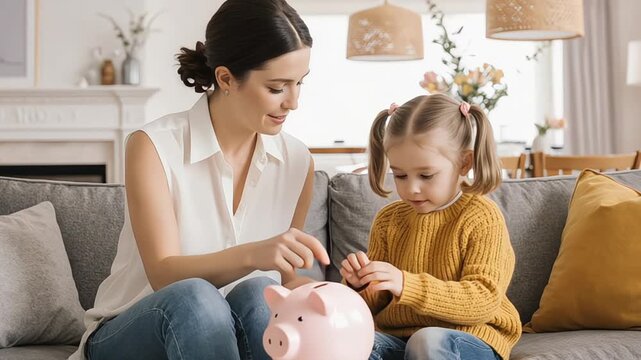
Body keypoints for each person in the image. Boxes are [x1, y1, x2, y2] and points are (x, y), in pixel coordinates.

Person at [69, 0, 329, 359]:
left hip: (232, 327)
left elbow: (289, 282)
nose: (293, 102)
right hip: (137, 328)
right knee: (196, 297)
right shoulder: (153, 146)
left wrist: (336, 295)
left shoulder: (298, 161)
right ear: (225, 78)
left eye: (300, 83)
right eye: (277, 87)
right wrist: (255, 252)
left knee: (258, 294)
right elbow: (164, 274)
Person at [340, 94, 522, 360]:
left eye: (426, 175)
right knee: (349, 342)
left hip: (469, 339)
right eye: (400, 175)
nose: (411, 188)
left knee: (427, 341)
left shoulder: (481, 216)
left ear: (464, 163)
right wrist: (359, 286)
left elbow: (483, 299)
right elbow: (375, 304)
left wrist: (407, 284)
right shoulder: (389, 220)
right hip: (400, 339)